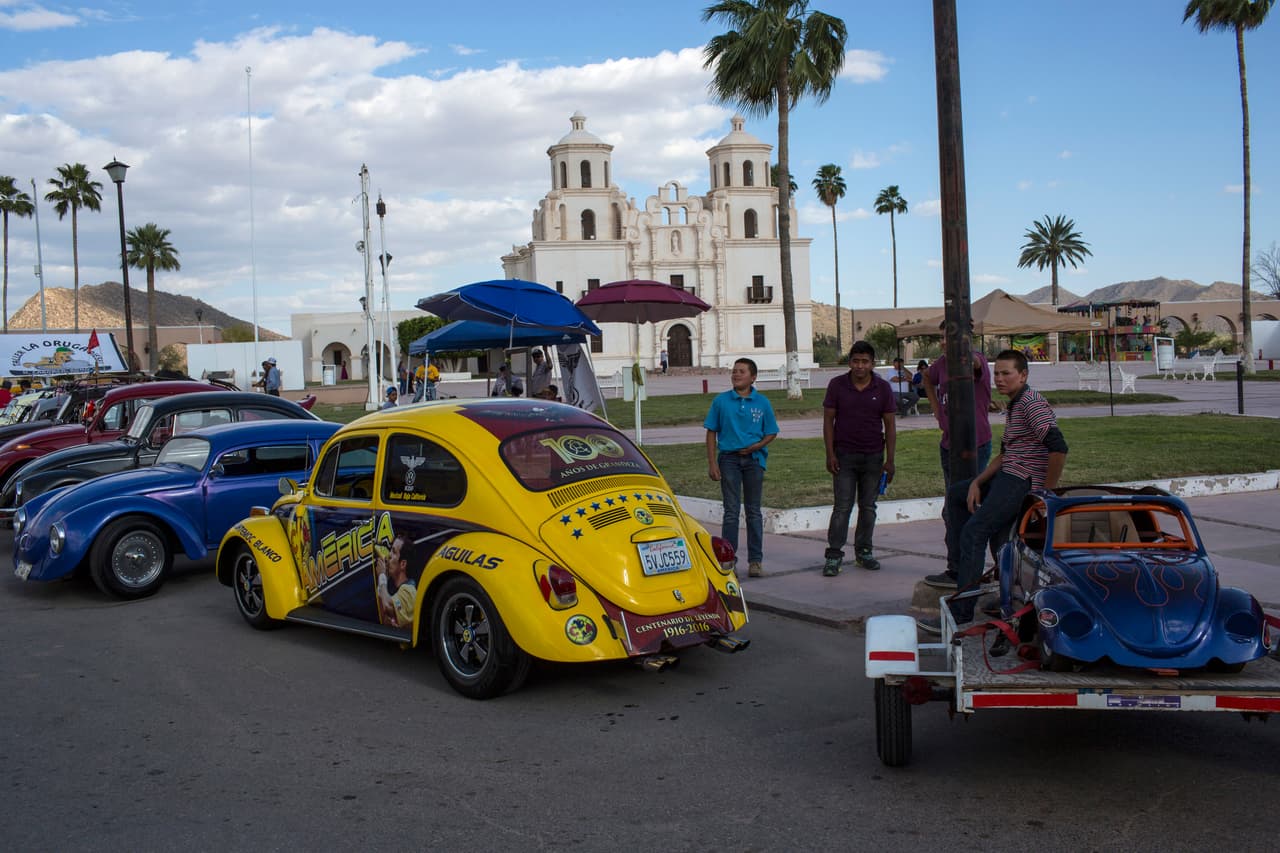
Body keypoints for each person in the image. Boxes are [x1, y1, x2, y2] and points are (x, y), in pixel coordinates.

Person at [918, 350, 1068, 633]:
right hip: (1007, 473)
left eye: (1006, 373)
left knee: (974, 533)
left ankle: (960, 614)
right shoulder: (1015, 403)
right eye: (996, 373)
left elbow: (1058, 447)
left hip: (1021, 480)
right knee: (959, 496)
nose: (999, 379)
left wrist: (1046, 494)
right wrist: (977, 482)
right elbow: (1006, 453)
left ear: (1023, 375)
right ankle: (996, 588)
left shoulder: (1031, 403)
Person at [922, 326, 994, 590]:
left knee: (968, 505)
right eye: (941, 338)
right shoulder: (940, 364)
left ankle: (969, 569)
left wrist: (960, 348)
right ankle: (957, 568)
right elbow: (927, 378)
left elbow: (975, 364)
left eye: (950, 338)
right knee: (952, 508)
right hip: (949, 445)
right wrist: (936, 410)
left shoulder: (976, 361)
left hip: (975, 445)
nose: (944, 343)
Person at [821, 341, 896, 576]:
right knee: (842, 507)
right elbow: (828, 420)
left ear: (872, 364)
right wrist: (830, 454)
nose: (860, 366)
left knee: (868, 507)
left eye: (865, 362)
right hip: (844, 456)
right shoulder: (837, 385)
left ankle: (864, 551)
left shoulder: (882, 388)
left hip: (874, 456)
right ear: (850, 362)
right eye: (856, 361)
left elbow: (890, 425)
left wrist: (890, 460)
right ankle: (834, 555)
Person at [704, 358, 778, 578]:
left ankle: (755, 560)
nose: (736, 375)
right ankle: (729, 559)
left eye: (741, 371)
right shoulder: (721, 401)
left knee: (753, 511)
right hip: (729, 460)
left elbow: (771, 431)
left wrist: (757, 446)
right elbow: (711, 432)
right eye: (734, 371)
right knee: (731, 511)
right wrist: (712, 463)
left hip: (754, 461)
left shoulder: (762, 403)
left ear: (753, 377)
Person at [375, 534, 416, 628]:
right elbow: (385, 620)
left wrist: (382, 576)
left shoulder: (409, 591)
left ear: (403, 564)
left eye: (393, 552)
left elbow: (387, 607)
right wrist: (382, 579)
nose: (389, 555)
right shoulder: (400, 591)